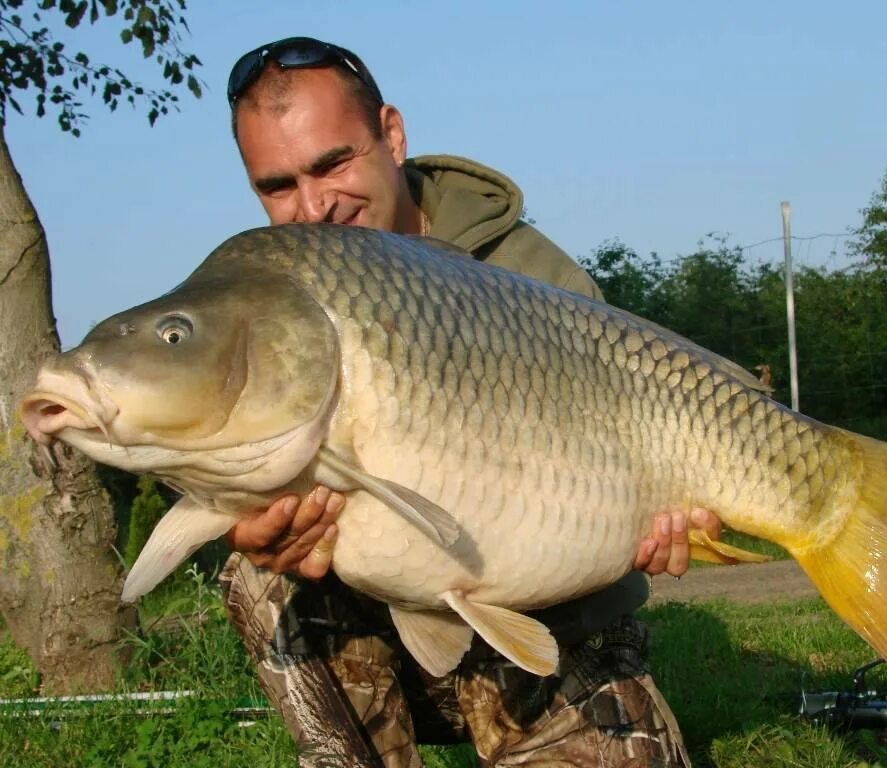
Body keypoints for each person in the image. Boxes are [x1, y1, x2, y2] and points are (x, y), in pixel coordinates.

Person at [219, 36, 721, 768]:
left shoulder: (531, 274)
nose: (315, 206)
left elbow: (633, 474)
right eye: (278, 185)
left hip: (545, 633)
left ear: (391, 135)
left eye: (334, 163)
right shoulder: (274, 295)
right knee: (256, 562)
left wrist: (661, 517)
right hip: (385, 642)